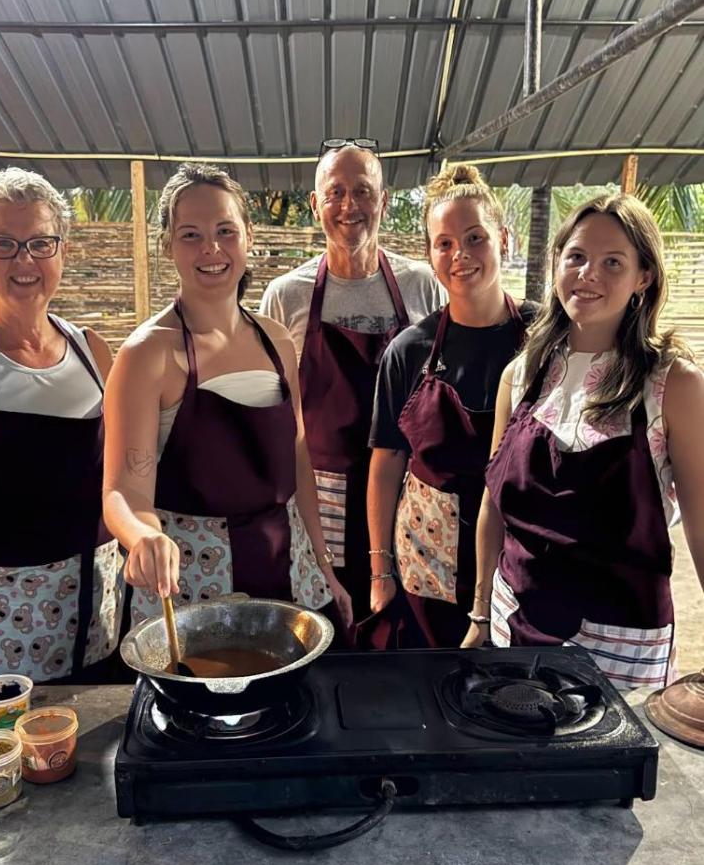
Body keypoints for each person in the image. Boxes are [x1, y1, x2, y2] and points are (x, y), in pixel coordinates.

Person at [463, 193, 704, 690]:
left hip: (621, 650)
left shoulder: (672, 385)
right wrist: (481, 612)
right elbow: (492, 505)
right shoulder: (522, 375)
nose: (588, 274)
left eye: (612, 262)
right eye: (576, 256)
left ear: (643, 277)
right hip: (514, 628)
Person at [102, 162, 352, 628]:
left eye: (225, 231)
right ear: (167, 246)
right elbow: (124, 490)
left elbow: (299, 461)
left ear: (248, 236)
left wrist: (323, 564)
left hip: (289, 573)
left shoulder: (277, 341)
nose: (211, 248)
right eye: (190, 235)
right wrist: (141, 536)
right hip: (192, 588)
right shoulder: (147, 353)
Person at [0, 168, 119, 681]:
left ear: (62, 251)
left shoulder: (94, 352)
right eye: (4, 244)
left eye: (40, 243)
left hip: (94, 617)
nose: (25, 260)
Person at [260, 138, 442, 620]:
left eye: (362, 190)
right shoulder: (286, 296)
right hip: (320, 500)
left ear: (384, 201)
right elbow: (273, 414)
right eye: (335, 192)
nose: (349, 205)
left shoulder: (422, 285)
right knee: (329, 625)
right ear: (314, 203)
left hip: (408, 495)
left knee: (403, 628)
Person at [365, 164, 534, 647]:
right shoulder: (408, 351)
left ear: (504, 239)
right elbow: (387, 462)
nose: (460, 254)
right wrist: (381, 571)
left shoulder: (544, 339)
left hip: (518, 560)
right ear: (430, 255)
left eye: (475, 238)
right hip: (427, 562)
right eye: (444, 243)